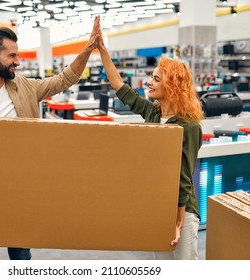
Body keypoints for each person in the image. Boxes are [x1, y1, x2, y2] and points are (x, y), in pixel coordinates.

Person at [0, 16, 100, 260]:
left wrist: (88, 48)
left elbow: (64, 79)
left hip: (21, 196)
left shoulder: (26, 89)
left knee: (22, 261)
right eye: (11, 56)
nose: (17, 62)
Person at [96, 23, 203, 260]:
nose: (149, 83)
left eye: (156, 79)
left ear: (172, 85)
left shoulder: (189, 126)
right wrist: (102, 48)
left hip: (182, 212)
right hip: (159, 206)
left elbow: (183, 179)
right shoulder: (153, 113)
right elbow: (119, 86)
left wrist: (178, 221)